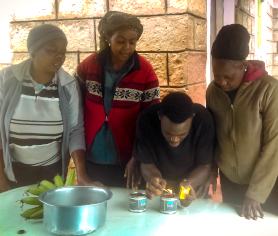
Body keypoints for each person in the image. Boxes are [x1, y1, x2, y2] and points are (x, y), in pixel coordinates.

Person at [206, 24, 278, 220]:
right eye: (216, 75)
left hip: (265, 185)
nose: (222, 82)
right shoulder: (213, 91)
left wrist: (256, 193)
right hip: (229, 181)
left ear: (243, 65)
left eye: (228, 76)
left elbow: (275, 144)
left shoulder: (269, 90)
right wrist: (211, 168)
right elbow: (211, 135)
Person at [76, 11, 160, 189]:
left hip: (128, 161)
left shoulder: (145, 71)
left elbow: (151, 121)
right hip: (93, 157)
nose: (127, 47)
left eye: (132, 42)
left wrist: (138, 157)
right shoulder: (88, 65)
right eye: (121, 41)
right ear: (107, 37)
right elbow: (75, 106)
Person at [0, 24, 86, 192]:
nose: (59, 56)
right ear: (33, 51)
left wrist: (81, 173)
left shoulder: (68, 86)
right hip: (13, 168)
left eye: (63, 51)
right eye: (51, 50)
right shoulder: (7, 79)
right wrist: (1, 179)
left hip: (52, 170)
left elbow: (75, 130)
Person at [133, 92, 215, 206]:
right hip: (159, 190)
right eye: (167, 133)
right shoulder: (146, 119)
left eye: (182, 134)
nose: (174, 139)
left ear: (192, 119)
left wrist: (188, 184)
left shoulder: (203, 120)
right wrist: (155, 180)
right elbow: (146, 164)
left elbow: (205, 166)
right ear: (159, 116)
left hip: (193, 182)